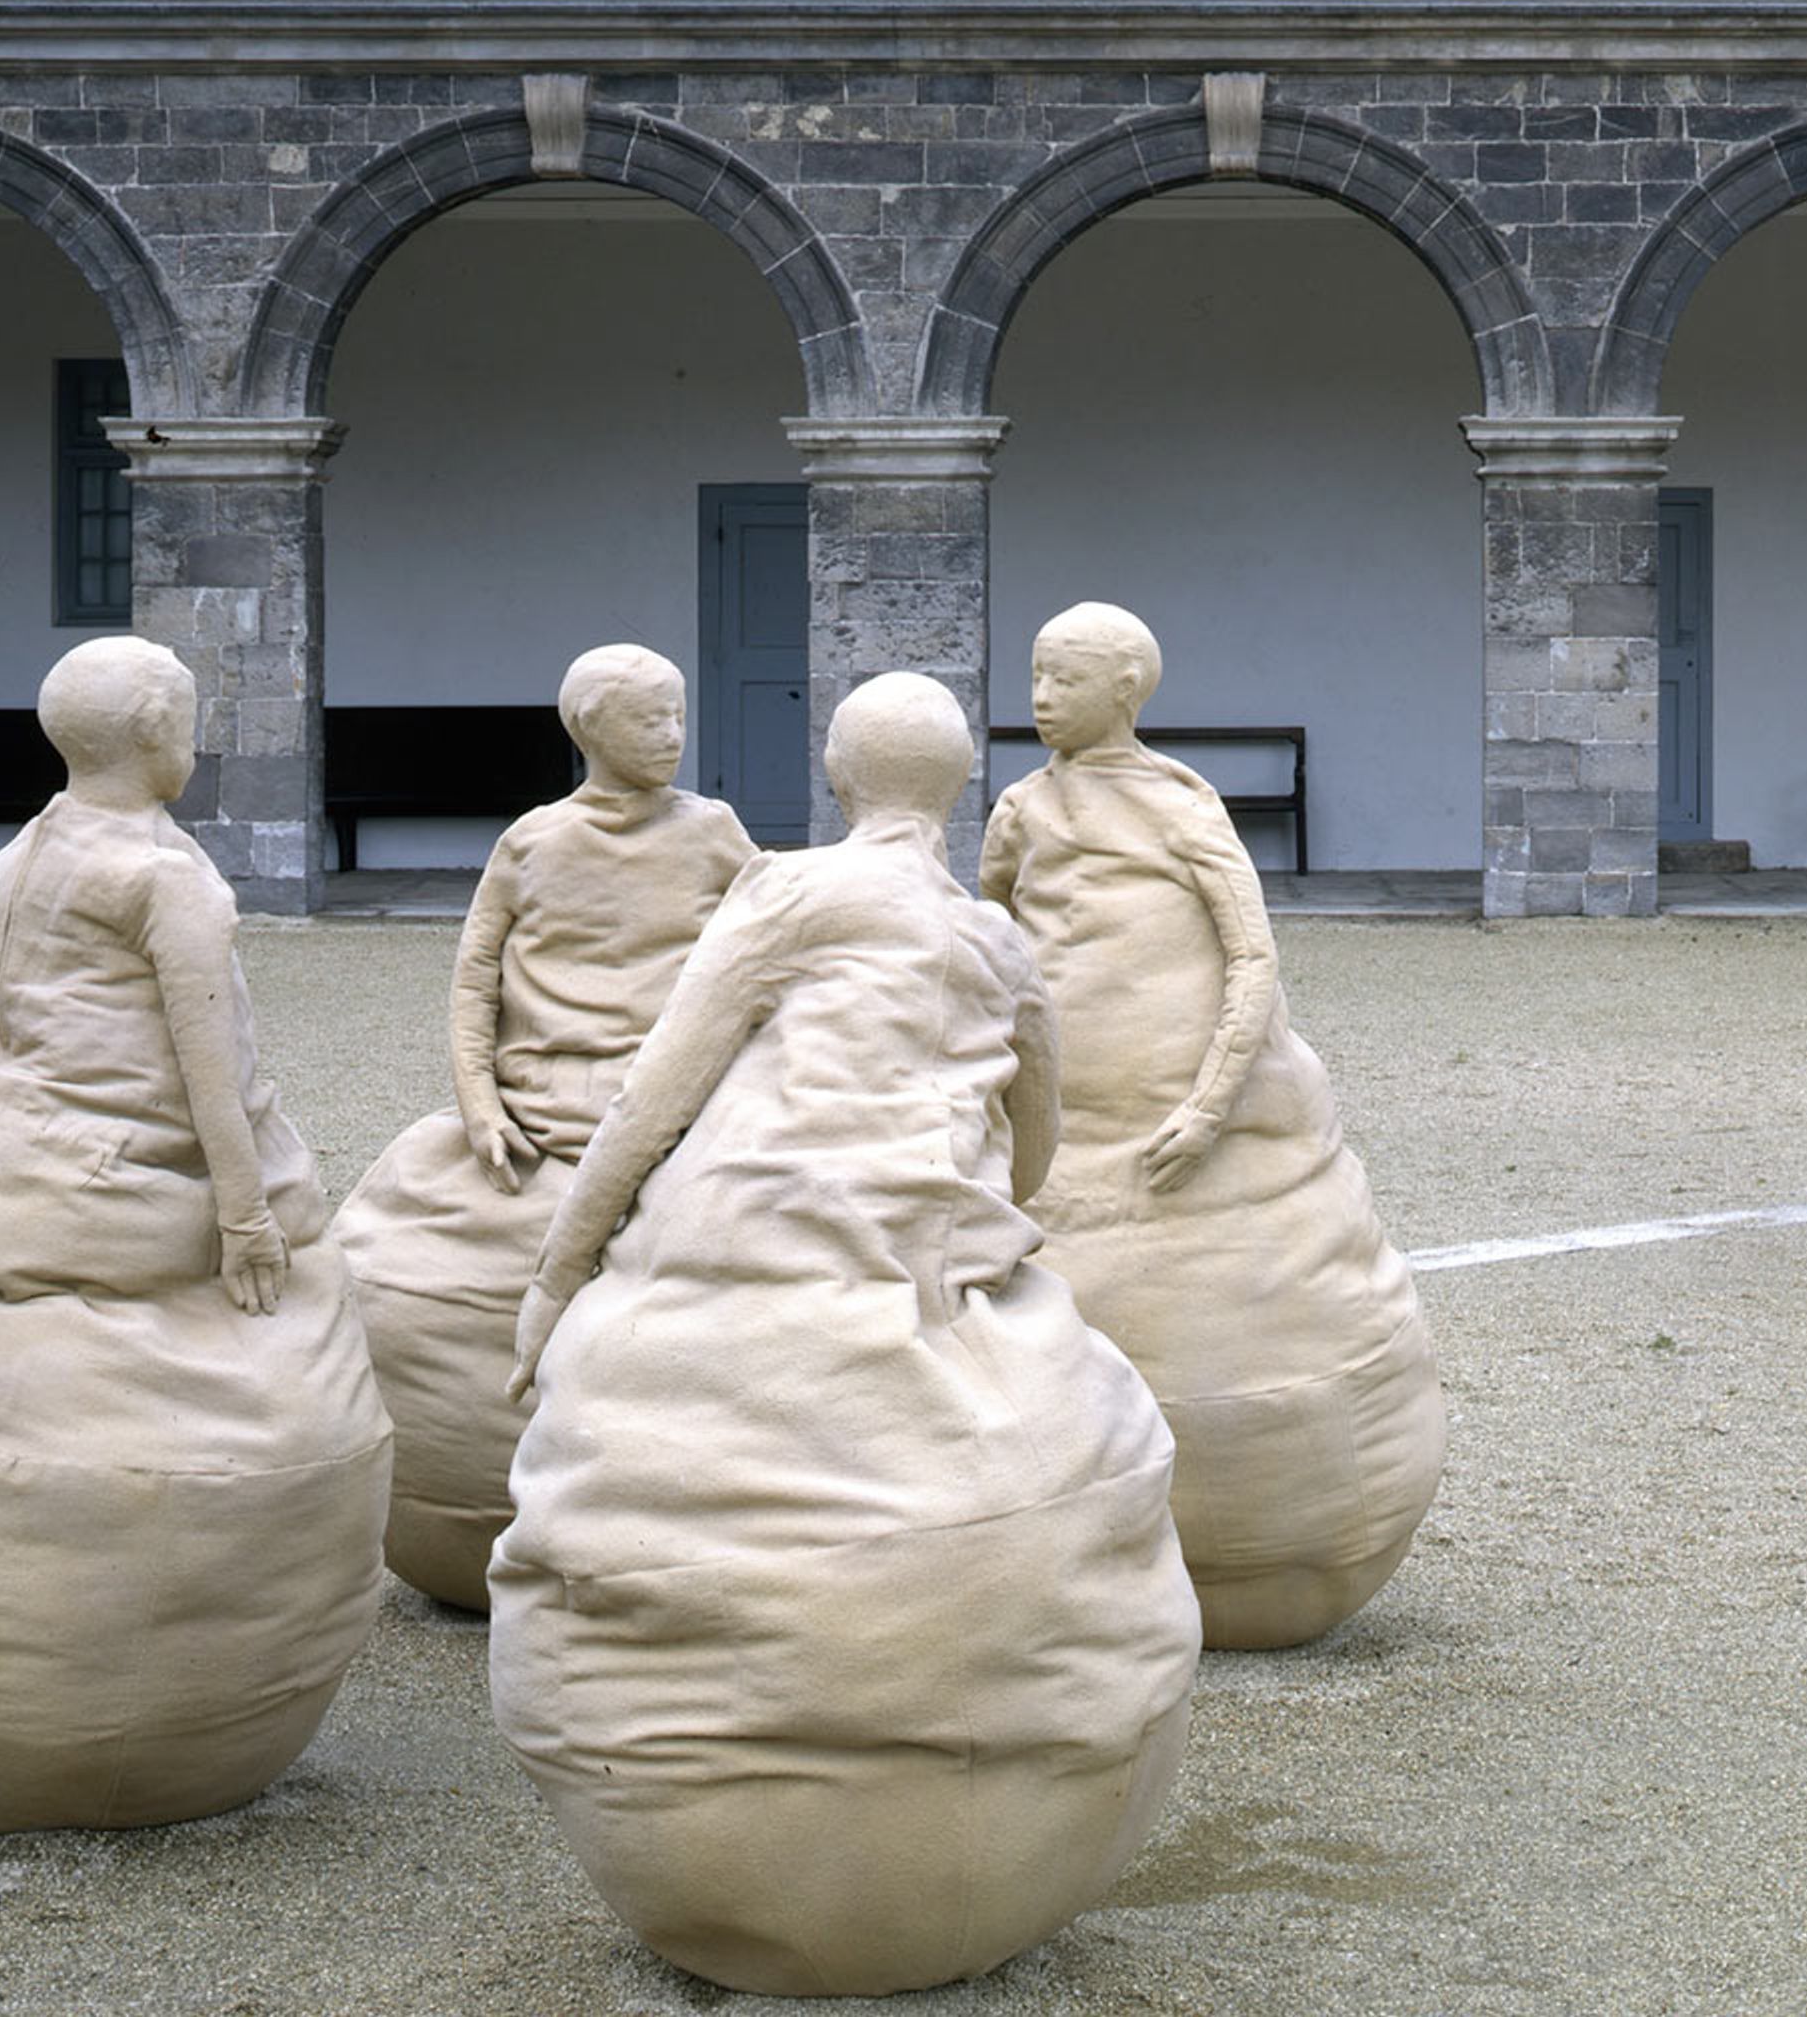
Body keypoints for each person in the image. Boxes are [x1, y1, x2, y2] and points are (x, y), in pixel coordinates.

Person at [489, 675, 1195, 1998]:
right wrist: (964, 1171)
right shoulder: (992, 939)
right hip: (921, 1259)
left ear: (833, 772)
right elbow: (1038, 1149)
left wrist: (563, 1266)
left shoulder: (787, 894)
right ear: (958, 787)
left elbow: (655, 1094)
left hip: (726, 1254)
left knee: (623, 1477)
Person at [0, 636, 390, 1832]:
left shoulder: (25, 848)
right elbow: (211, 1060)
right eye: (190, 719)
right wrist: (246, 1213)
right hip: (124, 1167)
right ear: (157, 733)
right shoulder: (168, 877)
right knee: (276, 1384)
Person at [978, 601, 1441, 1651]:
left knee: (1239, 1307)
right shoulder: (1022, 810)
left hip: (1191, 1131)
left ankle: (1253, 1538)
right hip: (1070, 1130)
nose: (1040, 695)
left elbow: (1250, 958)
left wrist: (1207, 1104)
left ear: (1125, 692)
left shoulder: (1183, 809)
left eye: (1063, 676)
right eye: (1037, 673)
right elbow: (993, 943)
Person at [332, 646, 755, 1609]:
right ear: (591, 733)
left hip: (674, 1106)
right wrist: (479, 1107)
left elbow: (769, 942)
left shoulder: (715, 832)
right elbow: (474, 978)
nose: (673, 735)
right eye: (650, 719)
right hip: (541, 1112)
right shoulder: (532, 842)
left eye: (678, 715)